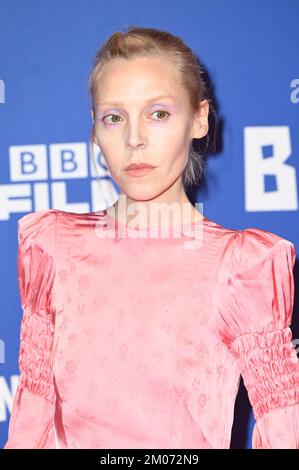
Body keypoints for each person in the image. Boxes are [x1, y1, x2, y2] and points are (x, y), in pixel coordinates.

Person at [4, 26, 299, 449]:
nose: (134, 139)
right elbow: (32, 418)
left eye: (158, 114)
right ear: (95, 129)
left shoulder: (240, 267)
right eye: (114, 117)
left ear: (199, 119)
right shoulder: (52, 246)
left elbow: (285, 428)